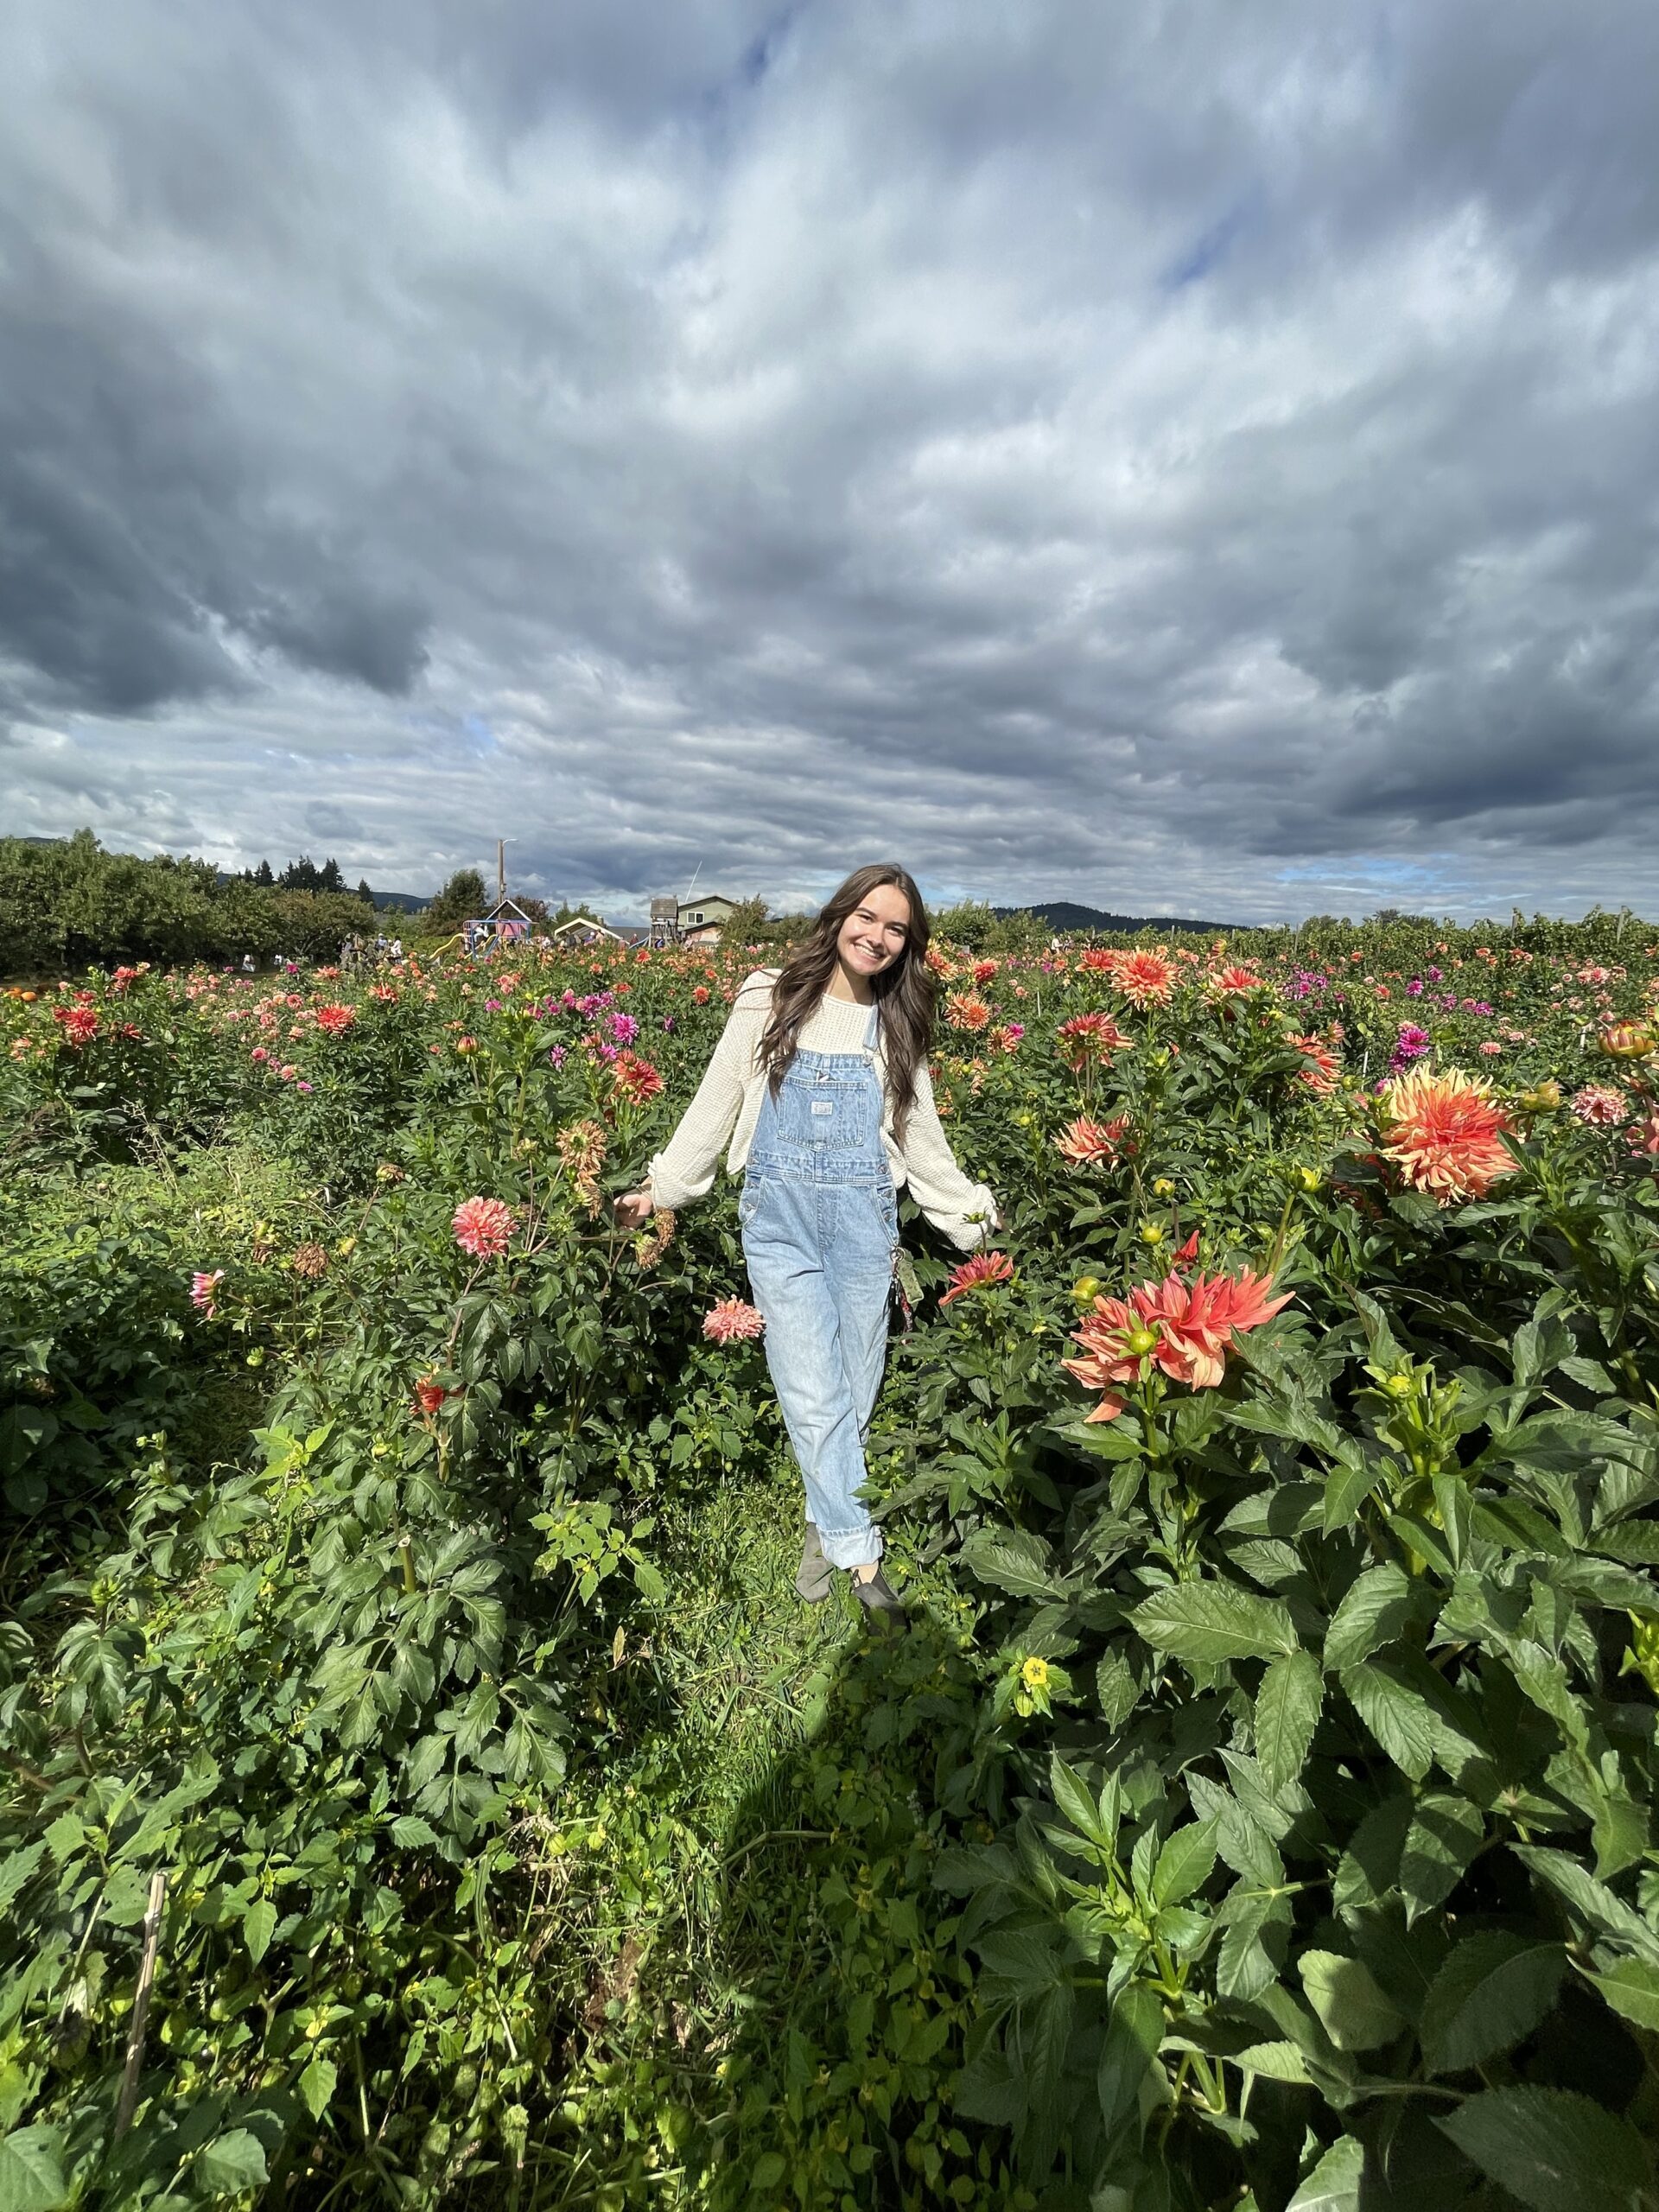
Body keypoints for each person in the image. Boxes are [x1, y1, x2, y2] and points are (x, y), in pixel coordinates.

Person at [614, 863, 999, 1625]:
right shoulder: (769, 995)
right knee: (810, 1387)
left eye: (896, 928)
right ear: (839, 915)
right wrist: (662, 1187)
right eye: (868, 917)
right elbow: (719, 1098)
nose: (878, 937)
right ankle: (863, 1560)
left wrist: (975, 1218)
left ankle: (825, 1519)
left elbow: (921, 1139)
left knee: (855, 1384)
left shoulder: (896, 1022)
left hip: (863, 1224)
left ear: (909, 943)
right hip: (779, 1222)